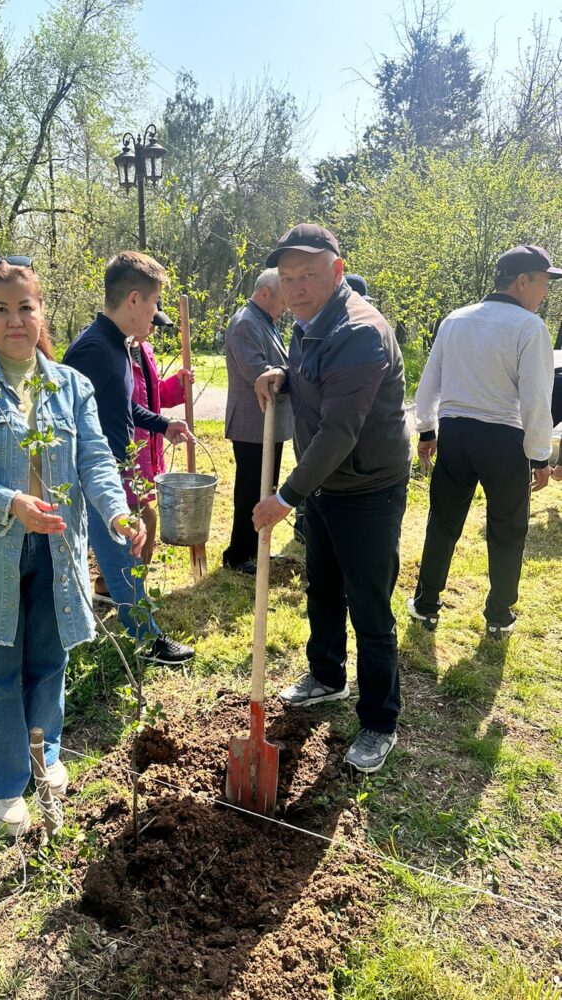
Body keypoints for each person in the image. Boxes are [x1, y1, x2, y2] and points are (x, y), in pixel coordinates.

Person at [0, 257, 145, 837]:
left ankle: (44, 757)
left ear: (42, 312)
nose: (15, 319)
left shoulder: (70, 384)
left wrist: (117, 512)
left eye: (26, 307)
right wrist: (11, 502)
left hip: (56, 548)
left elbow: (94, 458)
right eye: (1, 308)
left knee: (50, 659)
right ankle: (3, 786)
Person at [252, 224, 411, 774]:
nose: (296, 288)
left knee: (369, 605)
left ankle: (379, 721)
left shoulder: (360, 331)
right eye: (288, 279)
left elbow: (342, 430)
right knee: (322, 585)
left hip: (367, 488)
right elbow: (317, 378)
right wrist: (286, 377)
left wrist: (286, 496)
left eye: (308, 276)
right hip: (325, 485)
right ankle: (326, 675)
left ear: (337, 271)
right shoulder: (307, 324)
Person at [407, 244, 559, 640]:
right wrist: (540, 456)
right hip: (504, 440)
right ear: (522, 281)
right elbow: (536, 401)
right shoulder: (530, 328)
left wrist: (426, 429)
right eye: (544, 284)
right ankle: (498, 613)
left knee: (442, 521)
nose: (545, 294)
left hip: (455, 435)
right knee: (507, 527)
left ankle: (426, 604)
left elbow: (430, 381)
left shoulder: (456, 319)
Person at [64, 252, 195, 665]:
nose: (156, 313)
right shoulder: (93, 351)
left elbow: (124, 409)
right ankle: (147, 640)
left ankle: (141, 634)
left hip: (110, 473)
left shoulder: (116, 346)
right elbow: (84, 426)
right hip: (93, 475)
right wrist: (116, 483)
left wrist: (162, 425)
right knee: (122, 555)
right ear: (134, 300)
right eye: (155, 302)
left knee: (123, 555)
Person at [92, 299, 193, 597]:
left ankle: (118, 584)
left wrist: (177, 385)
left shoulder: (143, 350)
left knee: (138, 515)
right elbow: (121, 405)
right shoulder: (111, 352)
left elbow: (153, 395)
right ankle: (122, 586)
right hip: (124, 448)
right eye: (151, 320)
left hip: (146, 446)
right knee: (137, 518)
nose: (152, 328)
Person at [223, 268, 293, 573]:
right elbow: (259, 374)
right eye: (282, 298)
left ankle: (256, 549)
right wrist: (291, 376)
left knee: (266, 489)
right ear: (265, 293)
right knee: (250, 491)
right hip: (252, 424)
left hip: (267, 423)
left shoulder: (265, 320)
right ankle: (238, 556)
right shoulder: (245, 324)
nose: (287, 306)